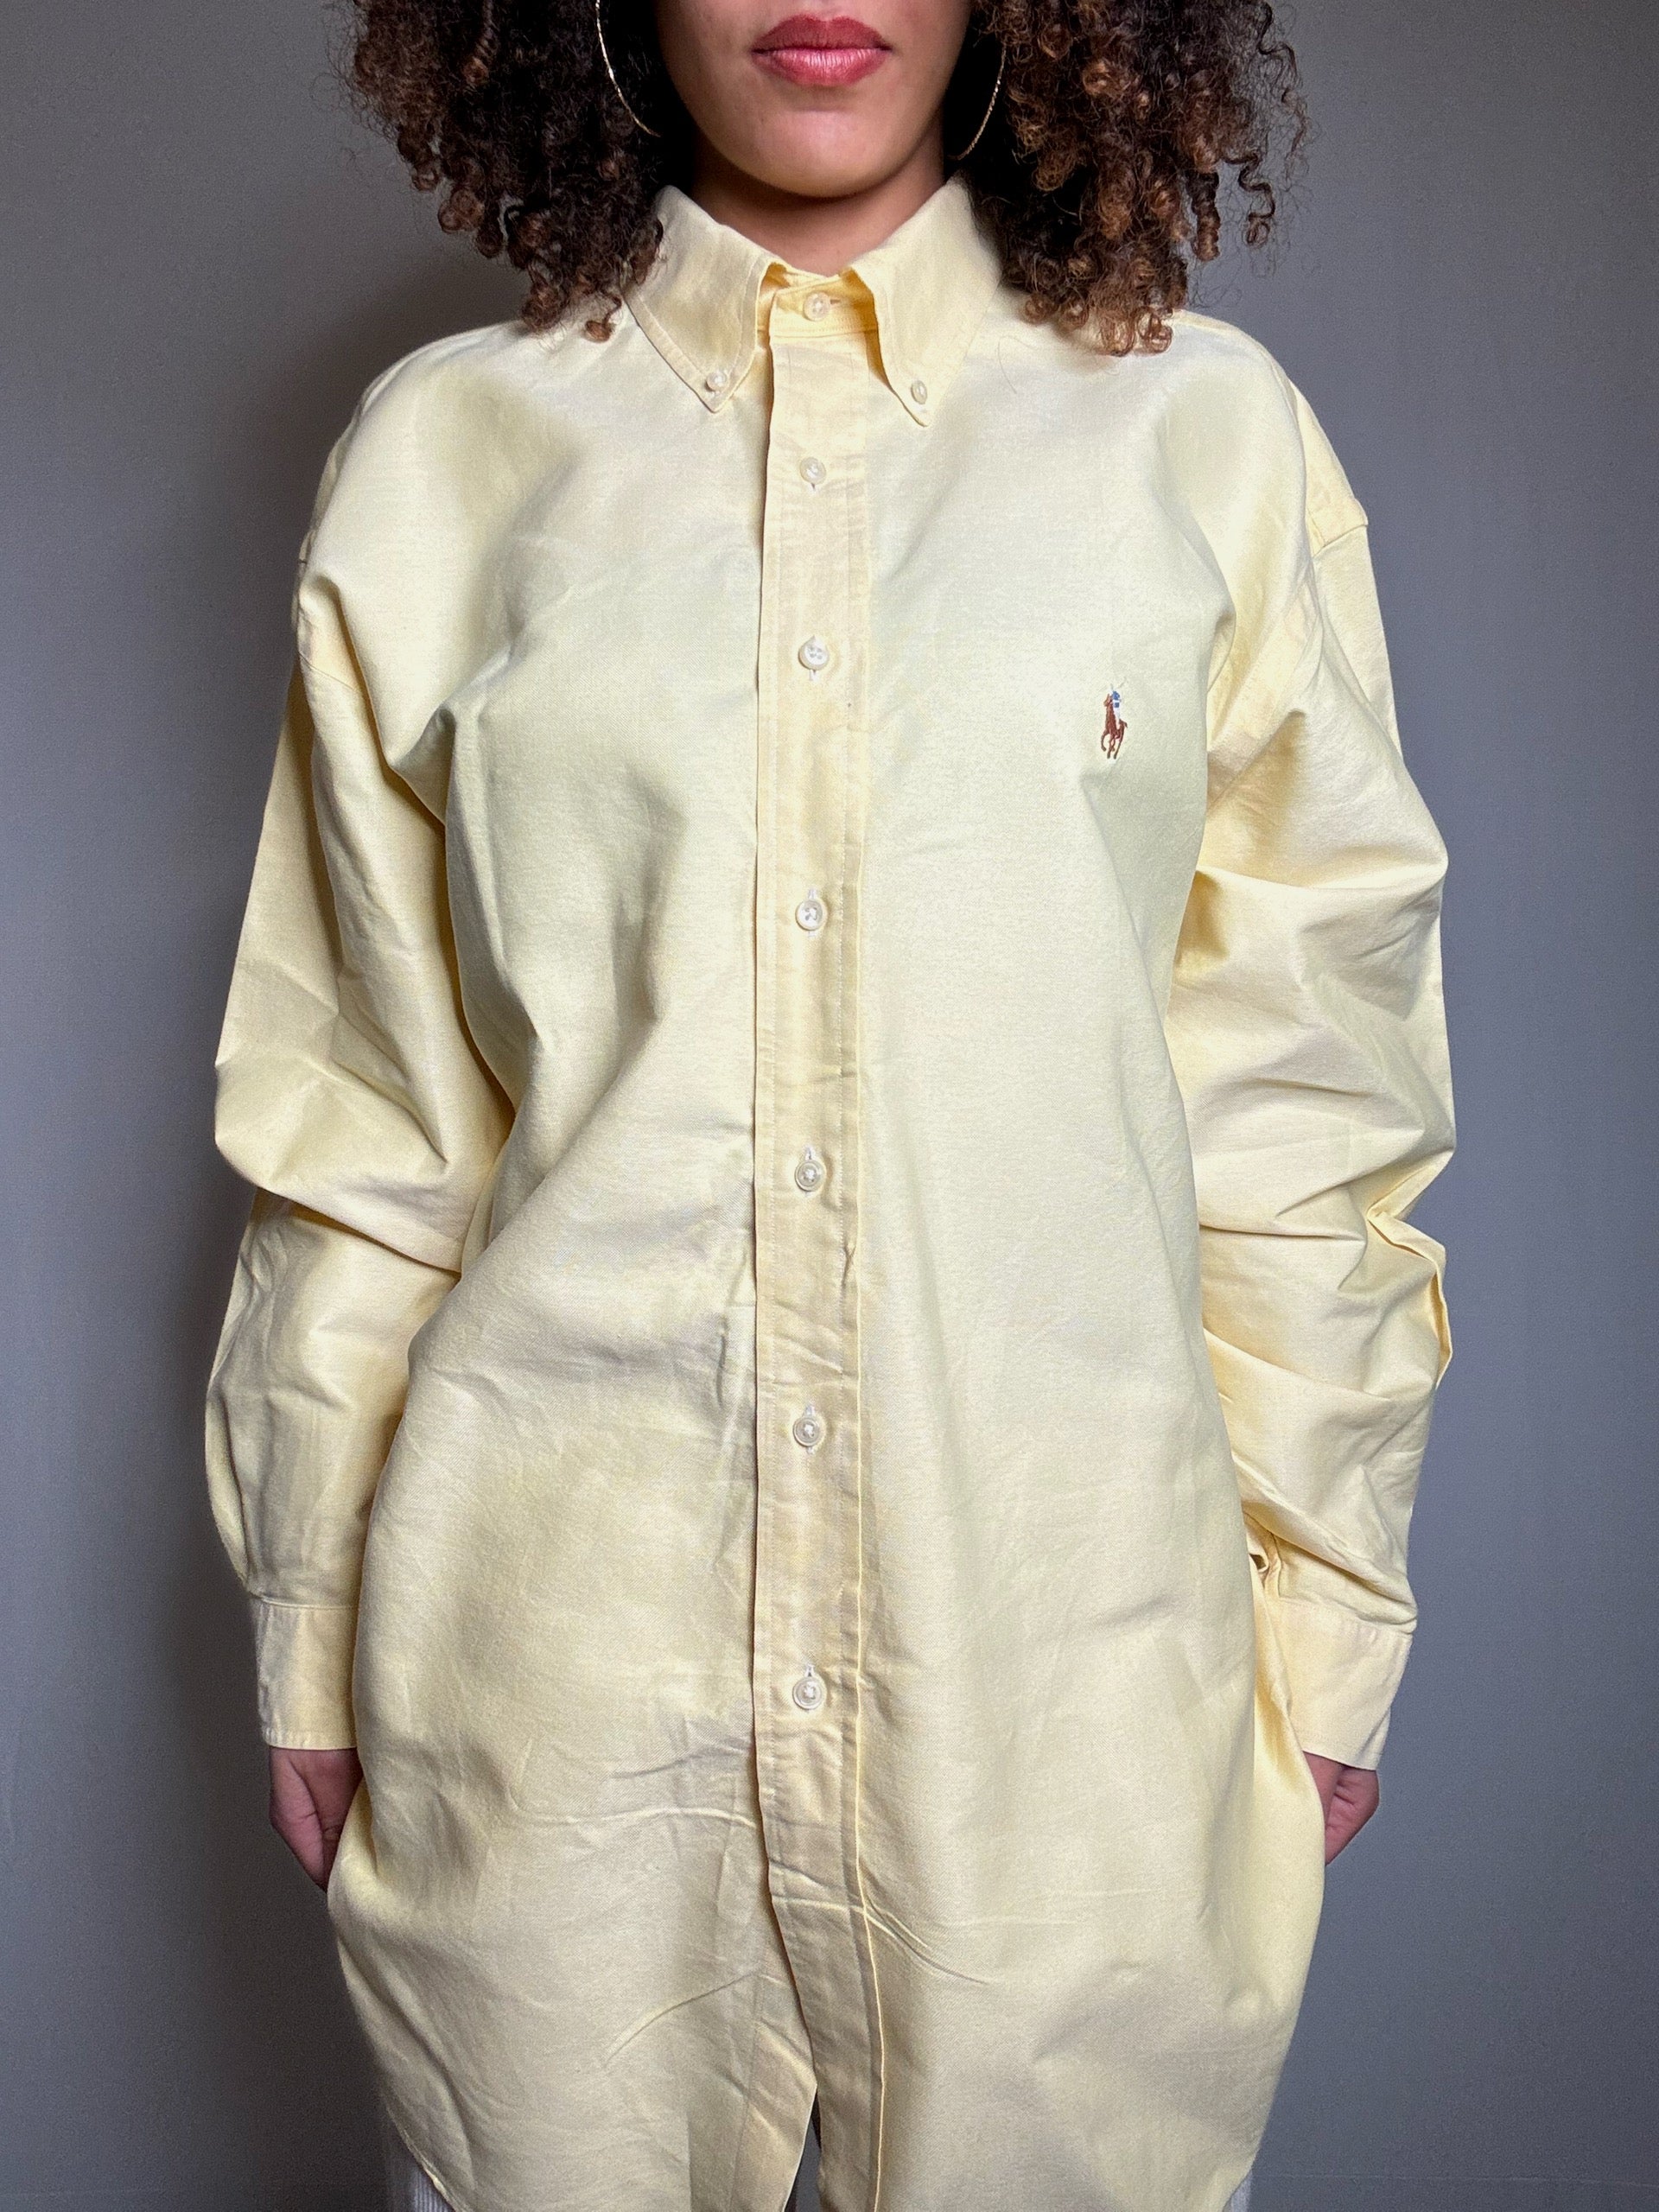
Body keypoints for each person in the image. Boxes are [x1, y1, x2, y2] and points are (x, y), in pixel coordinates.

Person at [203, 0, 1456, 2207]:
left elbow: (1307, 1106)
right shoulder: (445, 458)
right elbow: (369, 1117)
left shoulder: (1208, 440)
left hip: (1064, 1692)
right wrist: (309, 1607)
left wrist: (1332, 1621)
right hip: (550, 1689)